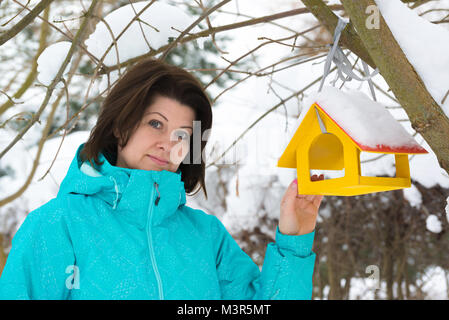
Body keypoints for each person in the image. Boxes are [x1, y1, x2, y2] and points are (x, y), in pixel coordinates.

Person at [0, 58, 324, 300]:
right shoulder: (56, 226)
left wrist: (295, 238)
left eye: (182, 135)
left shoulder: (206, 236)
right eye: (156, 124)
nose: (169, 144)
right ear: (120, 124)